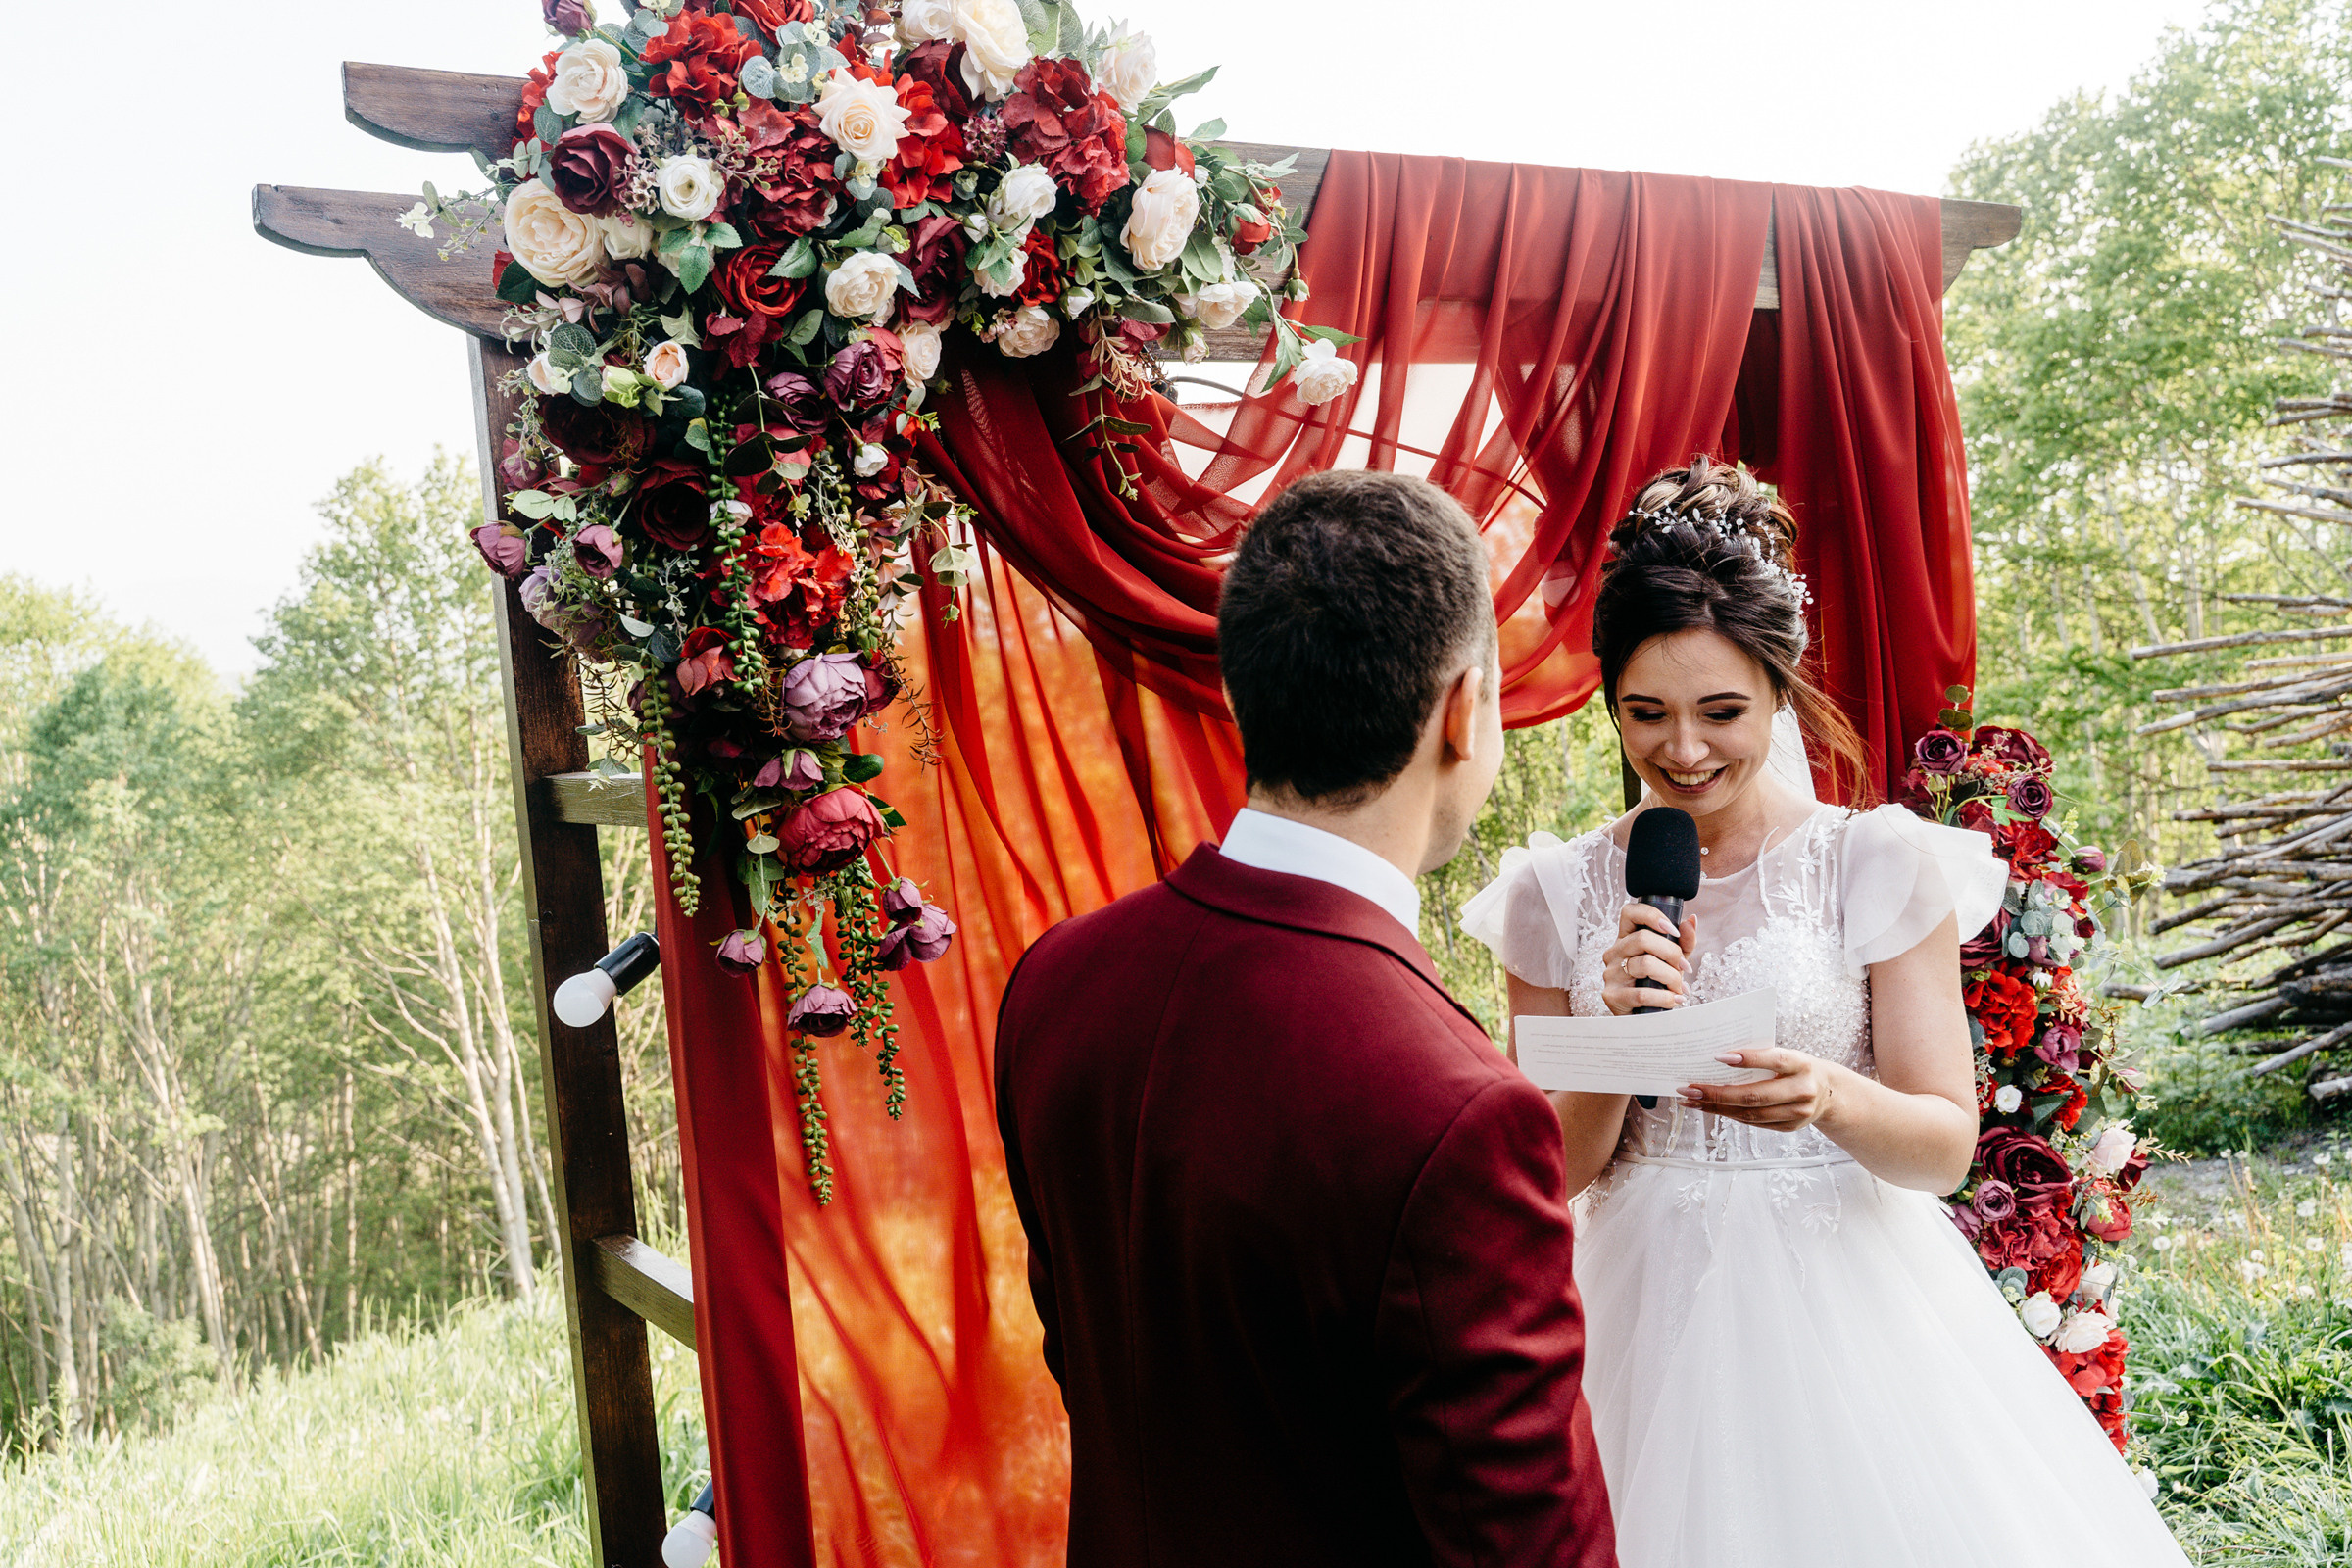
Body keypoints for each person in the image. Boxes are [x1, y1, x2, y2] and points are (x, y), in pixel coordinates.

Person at [1460, 458, 2188, 1568]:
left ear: (1781, 693)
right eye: (1644, 713)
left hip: (1851, 1299)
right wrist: (1618, 1043)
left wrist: (1827, 1096)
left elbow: (1945, 1143)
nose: (1684, 750)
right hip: (1637, 1305)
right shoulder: (1552, 894)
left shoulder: (1874, 860)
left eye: (1721, 712)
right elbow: (1551, 1174)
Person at [996, 470, 1618, 1568]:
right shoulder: (1461, 1111)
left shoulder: (1056, 980)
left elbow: (1088, 1356)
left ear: (1242, 694)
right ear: (1463, 710)